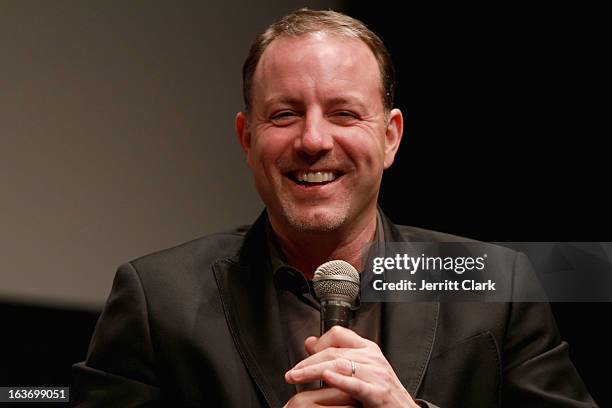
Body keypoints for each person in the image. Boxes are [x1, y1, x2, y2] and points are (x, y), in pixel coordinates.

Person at [71, 9, 596, 407]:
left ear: (390, 138)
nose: (314, 140)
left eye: (344, 113)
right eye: (285, 114)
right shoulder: (158, 298)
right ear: (246, 137)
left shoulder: (496, 283)